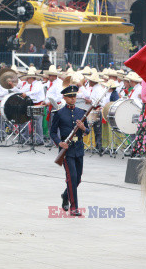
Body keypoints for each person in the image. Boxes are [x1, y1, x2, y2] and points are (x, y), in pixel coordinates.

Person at [50, 85, 90, 216]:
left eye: (74, 96)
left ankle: (66, 195)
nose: (73, 99)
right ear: (64, 98)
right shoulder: (59, 113)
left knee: (78, 178)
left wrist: (83, 128)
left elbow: (88, 131)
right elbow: (53, 132)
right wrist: (59, 143)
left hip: (78, 148)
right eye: (70, 97)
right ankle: (74, 207)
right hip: (66, 150)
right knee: (71, 177)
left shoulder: (81, 112)